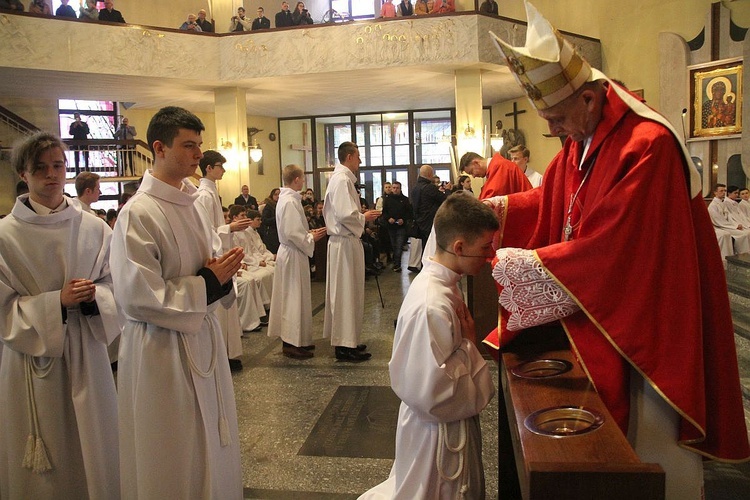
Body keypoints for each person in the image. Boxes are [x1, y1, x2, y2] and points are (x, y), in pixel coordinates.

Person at [486, 3, 750, 498]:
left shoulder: (645, 146)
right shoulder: (583, 138)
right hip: (604, 313)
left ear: (588, 98)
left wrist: (525, 264)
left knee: (650, 447)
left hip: (648, 317)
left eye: (560, 119)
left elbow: (618, 249)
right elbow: (554, 202)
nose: (555, 133)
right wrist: (497, 211)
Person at [110, 107, 243, 499]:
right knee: (173, 444)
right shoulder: (138, 213)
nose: (198, 154)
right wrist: (207, 282)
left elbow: (207, 263)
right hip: (160, 349)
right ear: (159, 148)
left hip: (200, 335)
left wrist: (218, 274)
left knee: (208, 439)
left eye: (199, 145)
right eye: (188, 145)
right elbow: (138, 296)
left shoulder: (192, 202)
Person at [0, 131, 119, 499]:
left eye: (58, 165)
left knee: (94, 441)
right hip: (31, 360)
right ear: (23, 173)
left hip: (86, 348)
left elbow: (115, 285)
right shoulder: (5, 236)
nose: (52, 174)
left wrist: (91, 298)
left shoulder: (92, 227)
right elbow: (4, 308)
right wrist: (55, 304)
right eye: (41, 168)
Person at [359, 193, 497, 499]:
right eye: (485, 247)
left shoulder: (446, 284)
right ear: (459, 247)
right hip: (435, 434)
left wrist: (464, 350)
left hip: (444, 424)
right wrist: (471, 348)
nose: (490, 256)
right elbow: (431, 393)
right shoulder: (431, 305)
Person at [195, 150, 254, 372]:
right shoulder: (203, 195)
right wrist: (230, 227)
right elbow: (205, 232)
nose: (224, 170)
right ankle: (222, 356)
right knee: (220, 310)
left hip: (222, 254)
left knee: (227, 310)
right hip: (214, 259)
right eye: (220, 166)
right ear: (209, 168)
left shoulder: (211, 193)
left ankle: (229, 353)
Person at [323, 142, 381, 361]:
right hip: (343, 243)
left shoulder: (344, 179)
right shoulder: (341, 180)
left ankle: (350, 340)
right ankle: (343, 345)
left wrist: (361, 216)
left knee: (351, 293)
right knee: (345, 294)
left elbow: (346, 212)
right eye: (358, 156)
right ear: (348, 156)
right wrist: (363, 217)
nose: (360, 161)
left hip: (348, 242)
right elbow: (345, 214)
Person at [268, 165, 327, 359]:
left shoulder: (289, 199)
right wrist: (311, 238)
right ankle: (290, 342)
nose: (303, 182)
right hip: (292, 253)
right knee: (292, 298)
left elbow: (293, 230)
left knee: (298, 297)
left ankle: (299, 339)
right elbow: (292, 233)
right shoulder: (289, 202)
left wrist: (308, 234)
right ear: (295, 180)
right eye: (302, 178)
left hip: (294, 252)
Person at [459, 150, 532, 200]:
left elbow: (492, 198)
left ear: (476, 163)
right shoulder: (494, 169)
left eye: (471, 172)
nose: (474, 176)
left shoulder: (500, 167)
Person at [707, 183, 750, 254]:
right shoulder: (713, 205)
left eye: (724, 191)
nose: (724, 193)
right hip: (719, 226)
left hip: (727, 225)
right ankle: (740, 254)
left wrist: (736, 224)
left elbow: (729, 217)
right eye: (721, 191)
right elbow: (718, 221)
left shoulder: (722, 203)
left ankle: (744, 254)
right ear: (715, 192)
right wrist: (734, 226)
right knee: (743, 234)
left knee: (746, 233)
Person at [381, 181, 412, 272]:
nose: (395, 189)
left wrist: (403, 219)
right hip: (391, 226)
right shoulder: (387, 199)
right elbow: (384, 212)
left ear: (400, 188)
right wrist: (388, 218)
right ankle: (395, 261)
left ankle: (397, 264)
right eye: (393, 188)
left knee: (399, 245)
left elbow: (409, 212)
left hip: (401, 226)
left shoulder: (405, 199)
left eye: (397, 188)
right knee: (394, 245)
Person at [261, 188, 281, 254]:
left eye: (279, 194)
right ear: (272, 195)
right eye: (275, 194)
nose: (278, 196)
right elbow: (264, 220)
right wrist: (277, 218)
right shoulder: (269, 206)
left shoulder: (281, 205)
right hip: (272, 233)